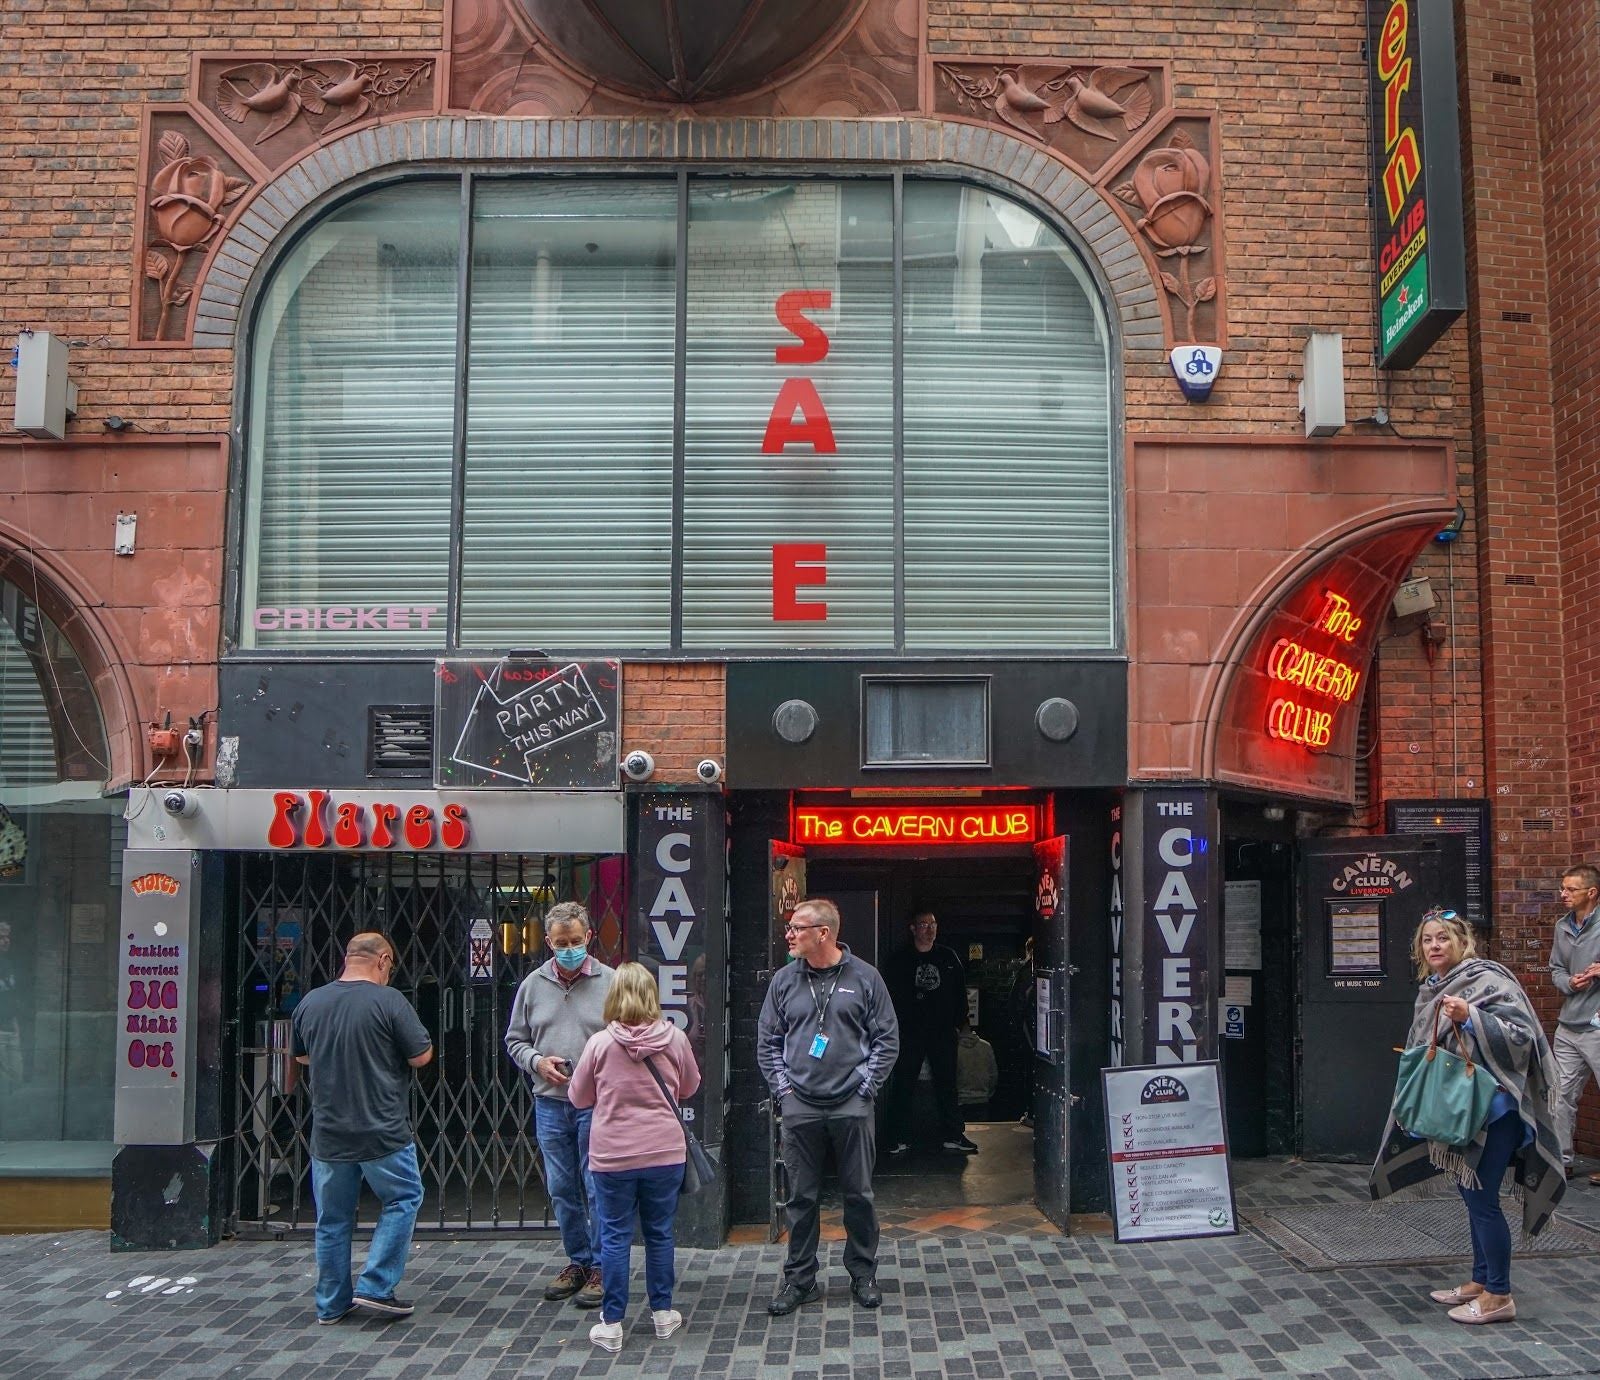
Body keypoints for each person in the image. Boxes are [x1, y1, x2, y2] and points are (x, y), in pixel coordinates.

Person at [1371, 907, 1565, 1325]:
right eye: (1427, 939)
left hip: (1495, 1110)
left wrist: (1472, 1018)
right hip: (1461, 1110)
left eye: (1443, 937)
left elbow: (1523, 1038)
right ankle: (1480, 1280)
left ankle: (1499, 1295)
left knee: (1482, 1200)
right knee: (1469, 1193)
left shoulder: (1489, 979)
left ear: (1462, 941)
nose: (1435, 945)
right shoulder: (1432, 987)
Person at [758, 897, 899, 1315]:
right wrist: (785, 1092)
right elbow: (767, 1042)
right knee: (800, 1198)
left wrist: (865, 1089)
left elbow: (887, 1040)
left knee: (859, 1194)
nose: (789, 935)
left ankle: (863, 1274)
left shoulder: (866, 978)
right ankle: (799, 1279)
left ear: (823, 933)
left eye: (796, 928)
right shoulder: (783, 980)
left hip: (852, 1105)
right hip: (800, 1105)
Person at [291, 931, 433, 1324]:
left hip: (329, 1132)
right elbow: (421, 1056)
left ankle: (331, 1304)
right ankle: (375, 1285)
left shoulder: (310, 1002)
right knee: (403, 1198)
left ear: (348, 957)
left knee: (332, 1220)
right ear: (383, 960)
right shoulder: (389, 1001)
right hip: (381, 1128)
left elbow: (302, 1056)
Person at [567, 962, 700, 1353]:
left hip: (612, 1155)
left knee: (614, 1237)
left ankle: (611, 1323)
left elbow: (578, 1098)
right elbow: (690, 1086)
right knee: (660, 1234)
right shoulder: (675, 1038)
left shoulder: (600, 1044)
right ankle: (662, 1314)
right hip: (664, 1153)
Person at [505, 900, 615, 1310]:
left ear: (588, 937)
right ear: (548, 943)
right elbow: (515, 1040)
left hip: (597, 1102)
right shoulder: (532, 985)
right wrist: (537, 1061)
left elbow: (629, 1036)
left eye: (575, 940)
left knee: (596, 1185)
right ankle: (578, 1261)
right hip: (550, 1102)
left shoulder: (611, 981)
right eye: (560, 942)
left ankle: (603, 1265)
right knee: (561, 1187)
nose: (568, 948)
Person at [884, 911, 974, 1155]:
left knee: (948, 1082)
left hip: (942, 1030)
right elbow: (888, 997)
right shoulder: (899, 960)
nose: (930, 929)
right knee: (904, 1082)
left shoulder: (948, 957)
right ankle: (896, 1136)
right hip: (909, 1030)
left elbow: (959, 993)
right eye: (924, 924)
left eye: (933, 924)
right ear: (912, 928)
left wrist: (961, 1024)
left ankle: (953, 1135)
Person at [1547, 864, 1600, 1181]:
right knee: (1561, 1094)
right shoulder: (1561, 927)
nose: (1563, 894)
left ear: (1591, 893)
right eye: (1562, 888)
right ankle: (1560, 1160)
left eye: (1570, 889)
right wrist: (1569, 982)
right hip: (1569, 1024)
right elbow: (1555, 969)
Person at [956, 1019, 999, 1111]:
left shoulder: (955, 1048)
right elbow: (993, 1075)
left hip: (960, 1101)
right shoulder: (986, 1046)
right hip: (982, 1100)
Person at [0, 922, 20, 1092]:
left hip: (11, 1028)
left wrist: (15, 1025)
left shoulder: (8, 963)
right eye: (1, 937)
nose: (6, 941)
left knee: (16, 1078)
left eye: (7, 937)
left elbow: (11, 996)